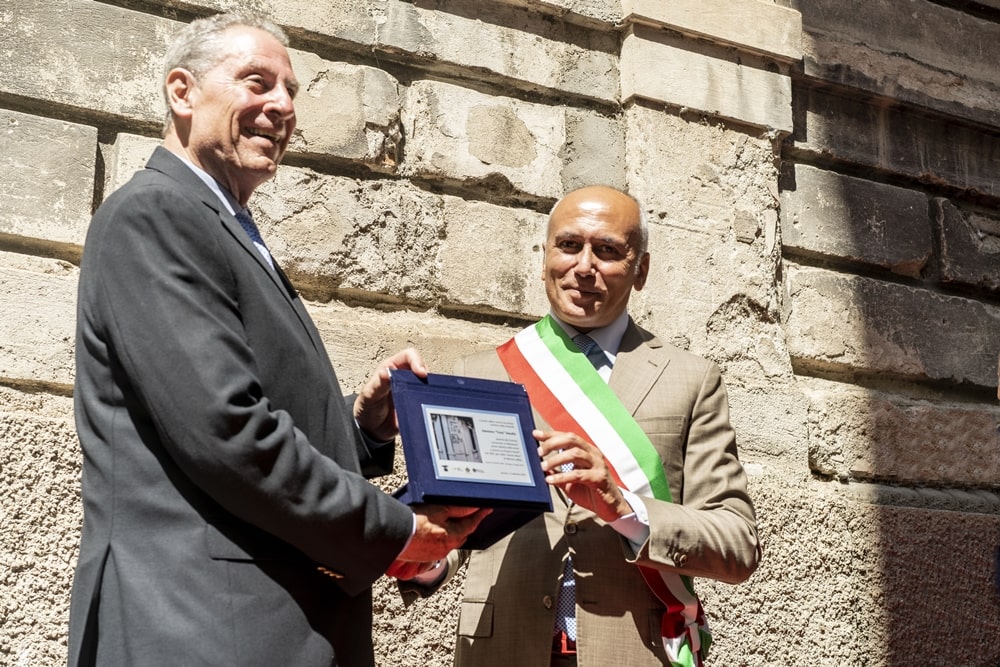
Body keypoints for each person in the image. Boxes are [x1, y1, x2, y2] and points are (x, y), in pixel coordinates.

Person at [67, 13, 487, 667]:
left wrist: (361, 424)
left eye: (292, 91)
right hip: (203, 628)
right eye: (257, 82)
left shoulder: (222, 226)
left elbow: (247, 413)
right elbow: (227, 433)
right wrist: (394, 532)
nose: (283, 107)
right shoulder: (155, 215)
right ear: (182, 92)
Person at [400, 185, 761, 667]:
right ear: (545, 254)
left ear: (642, 270)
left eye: (608, 250)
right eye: (569, 245)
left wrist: (624, 507)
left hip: (635, 650)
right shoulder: (480, 372)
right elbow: (451, 528)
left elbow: (737, 544)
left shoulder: (691, 380)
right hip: (501, 648)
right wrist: (421, 561)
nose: (584, 266)